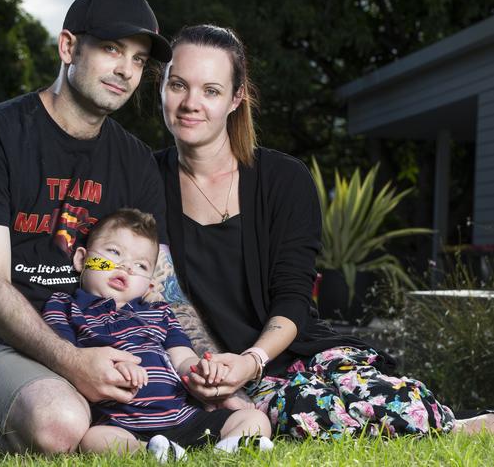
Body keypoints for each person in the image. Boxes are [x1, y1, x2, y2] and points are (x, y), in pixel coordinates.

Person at [152, 24, 494, 438]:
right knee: (313, 409)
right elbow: (155, 297)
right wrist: (206, 367)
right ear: (162, 86)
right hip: (213, 373)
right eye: (178, 85)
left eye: (210, 90)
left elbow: (294, 297)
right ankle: (453, 428)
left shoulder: (283, 179)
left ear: (236, 98)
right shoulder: (144, 180)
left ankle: (459, 426)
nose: (190, 103)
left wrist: (251, 359)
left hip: (285, 350)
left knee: (391, 399)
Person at [0, 0, 179, 455]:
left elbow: (144, 276)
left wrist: (196, 364)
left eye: (139, 60)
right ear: (68, 47)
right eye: (111, 49)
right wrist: (73, 361)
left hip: (92, 329)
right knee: (61, 423)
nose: (126, 70)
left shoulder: (136, 163)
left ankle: (15, 422)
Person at [41, 208, 273, 460]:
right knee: (94, 440)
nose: (126, 266)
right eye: (114, 252)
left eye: (140, 265)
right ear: (81, 260)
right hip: (120, 424)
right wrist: (116, 367)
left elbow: (183, 359)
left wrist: (203, 370)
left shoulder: (160, 313)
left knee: (255, 418)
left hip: (182, 417)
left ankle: (230, 447)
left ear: (149, 285)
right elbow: (64, 357)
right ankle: (151, 453)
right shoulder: (64, 306)